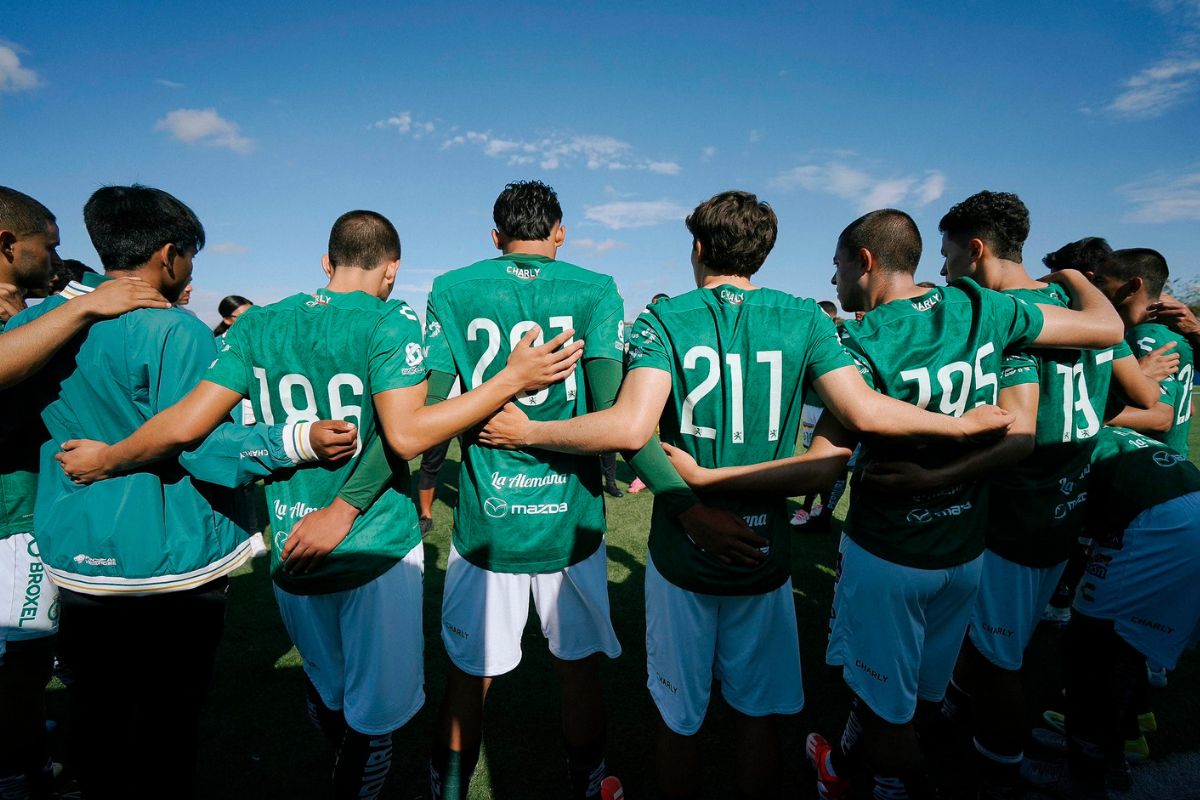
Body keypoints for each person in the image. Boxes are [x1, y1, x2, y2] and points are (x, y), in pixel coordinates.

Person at [478, 194, 1018, 800]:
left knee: (680, 718)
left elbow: (631, 429)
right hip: (765, 551)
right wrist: (960, 425)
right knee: (757, 716)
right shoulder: (805, 318)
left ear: (700, 249)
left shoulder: (666, 317)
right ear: (762, 253)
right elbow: (860, 415)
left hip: (683, 554)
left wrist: (528, 431)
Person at [57, 206, 581, 799]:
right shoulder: (391, 320)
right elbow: (405, 436)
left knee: (332, 691)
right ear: (392, 271)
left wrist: (109, 457)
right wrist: (509, 380)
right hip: (374, 545)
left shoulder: (259, 324)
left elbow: (186, 426)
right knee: (374, 723)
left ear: (326, 263)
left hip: (289, 536)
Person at [647, 207, 1121, 798]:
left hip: (891, 549)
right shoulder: (986, 308)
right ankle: (854, 763)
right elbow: (1085, 353)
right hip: (966, 547)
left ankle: (888, 780)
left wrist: (705, 482)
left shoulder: (861, 338)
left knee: (885, 709)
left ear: (864, 262)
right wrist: (1075, 276)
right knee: (917, 698)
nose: (834, 282)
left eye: (838, 266)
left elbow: (821, 466)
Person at [14, 184, 357, 800]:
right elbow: (202, 443)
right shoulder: (176, 331)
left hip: (75, 550)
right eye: (191, 257)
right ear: (169, 256)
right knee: (168, 723)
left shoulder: (37, 324)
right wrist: (299, 440)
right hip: (171, 558)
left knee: (95, 714)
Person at [900, 192, 1154, 797]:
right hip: (1068, 501)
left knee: (998, 658)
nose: (943, 268)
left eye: (948, 254)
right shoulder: (1074, 304)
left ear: (977, 249)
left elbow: (1013, 430)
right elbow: (1126, 361)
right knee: (1003, 640)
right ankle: (966, 716)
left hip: (1018, 508)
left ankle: (1001, 766)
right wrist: (1070, 274)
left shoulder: (1000, 312)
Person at [421, 181, 625, 800]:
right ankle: (587, 784)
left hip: (488, 520)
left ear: (495, 236)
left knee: (467, 676)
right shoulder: (596, 289)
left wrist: (426, 482)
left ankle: (448, 791)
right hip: (572, 523)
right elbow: (614, 414)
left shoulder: (453, 287)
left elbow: (432, 409)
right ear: (559, 232)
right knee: (578, 671)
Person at [0, 187, 171, 800]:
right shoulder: (49, 312)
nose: (57, 259)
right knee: (23, 658)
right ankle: (21, 770)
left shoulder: (23, 306)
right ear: (7, 245)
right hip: (12, 518)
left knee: (43, 655)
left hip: (35, 507)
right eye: (49, 247)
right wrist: (82, 308)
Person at [1052, 426, 1200, 799]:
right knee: (1124, 631)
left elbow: (1072, 530)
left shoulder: (1060, 442)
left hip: (1158, 522)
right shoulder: (1104, 432)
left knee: (1087, 643)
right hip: (1182, 504)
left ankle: (1098, 761)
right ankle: (1135, 723)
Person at [1092, 248, 1194, 458]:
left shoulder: (1147, 335)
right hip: (1167, 462)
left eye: (1100, 281)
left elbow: (1160, 417)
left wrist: (1081, 413)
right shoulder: (1161, 332)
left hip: (1150, 466)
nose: (1093, 289)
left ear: (1133, 286)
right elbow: (1189, 407)